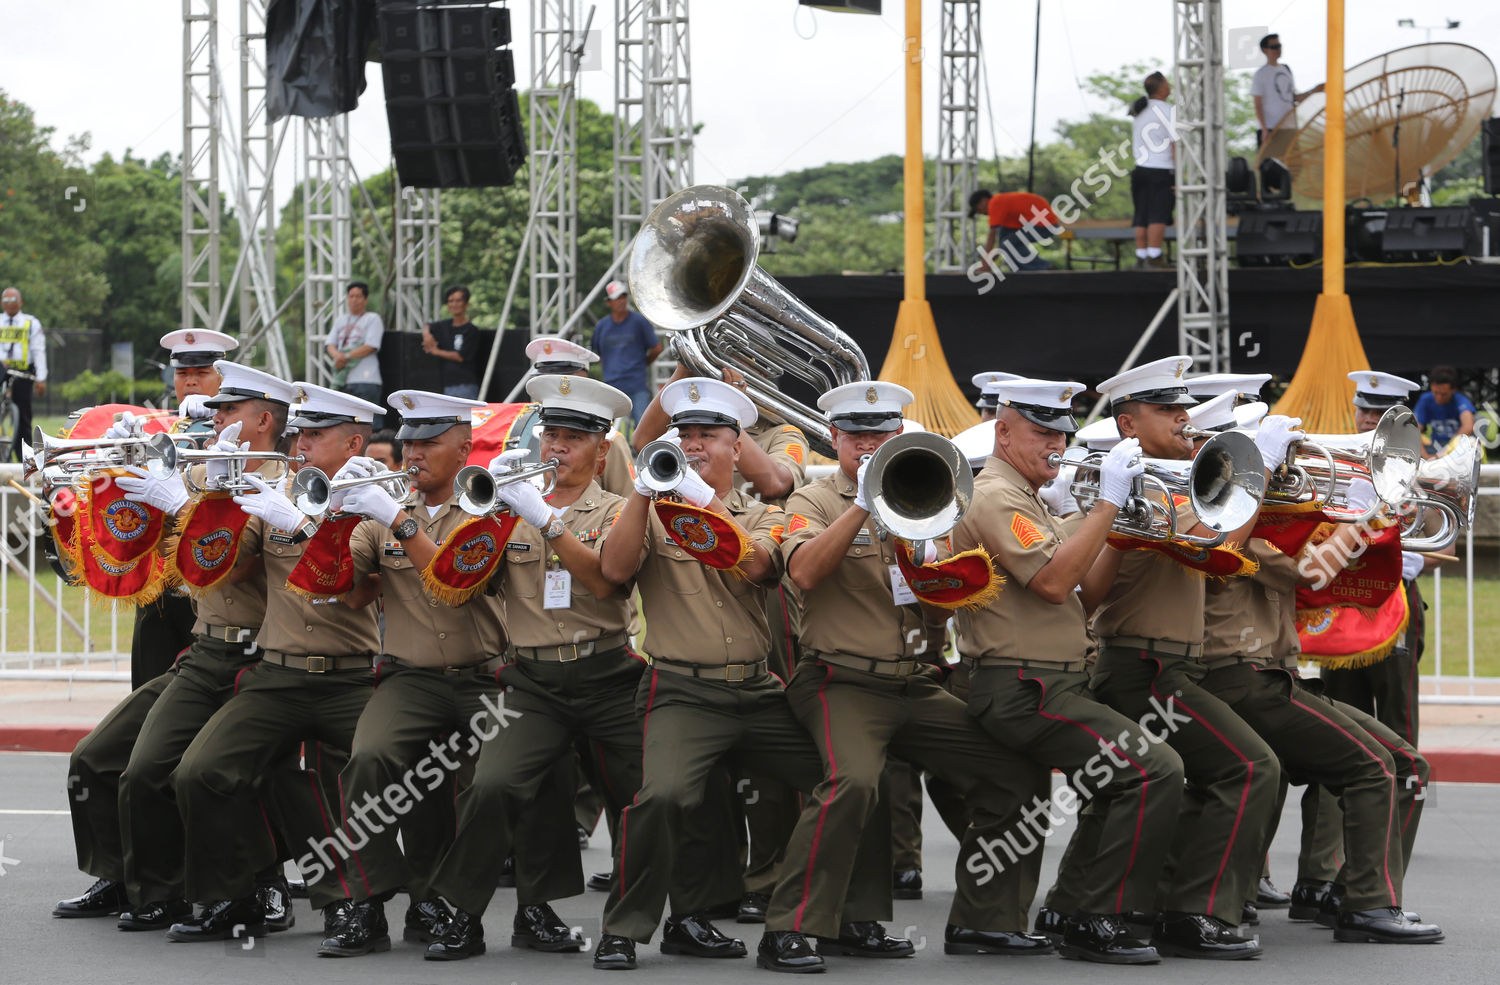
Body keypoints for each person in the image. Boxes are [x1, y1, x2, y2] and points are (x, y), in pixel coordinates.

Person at [590, 377, 892, 972]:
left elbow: (756, 568)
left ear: (737, 447)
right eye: (686, 436)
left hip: (755, 691)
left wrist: (702, 502)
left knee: (848, 777)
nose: (694, 445)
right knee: (663, 797)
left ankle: (838, 918)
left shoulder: (765, 515)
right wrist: (643, 496)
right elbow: (614, 571)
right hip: (680, 689)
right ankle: (624, 928)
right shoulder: (651, 510)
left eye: (709, 436)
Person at [761, 381, 1055, 968]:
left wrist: (930, 564)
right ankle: (788, 928)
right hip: (838, 680)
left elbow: (942, 609)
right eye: (855, 434)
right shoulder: (810, 501)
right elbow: (807, 573)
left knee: (1015, 772)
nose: (868, 444)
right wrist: (863, 505)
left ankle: (985, 921)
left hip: (911, 681)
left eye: (881, 433)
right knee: (853, 783)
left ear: (899, 436)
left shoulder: (924, 495)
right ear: (835, 439)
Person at [949, 378, 1185, 965]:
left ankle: (1037, 913)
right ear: (1002, 432)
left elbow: (1087, 597)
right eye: (1041, 431)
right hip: (1024, 684)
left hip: (1050, 680)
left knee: (1105, 781)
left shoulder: (1031, 496)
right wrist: (1104, 503)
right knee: (1152, 768)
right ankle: (1090, 916)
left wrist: (1121, 525)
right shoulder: (996, 494)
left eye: (1061, 432)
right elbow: (1055, 583)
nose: (1056, 444)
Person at [1083, 354, 1294, 959]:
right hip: (1141, 666)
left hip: (1170, 666)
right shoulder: (1129, 488)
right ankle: (1195, 913)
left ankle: (1094, 905)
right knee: (1248, 767)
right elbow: (1222, 555)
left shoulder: (1180, 482)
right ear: (1128, 425)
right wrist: (1262, 471)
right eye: (1167, 409)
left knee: (1179, 779)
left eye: (1184, 407)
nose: (1183, 418)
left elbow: (1221, 558)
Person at [167, 383, 388, 945]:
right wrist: (208, 500)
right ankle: (236, 895)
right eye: (301, 432)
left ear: (353, 442)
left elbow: (358, 590)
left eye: (316, 434)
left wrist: (302, 526)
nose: (302, 442)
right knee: (201, 771)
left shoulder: (376, 499)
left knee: (350, 772)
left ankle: (359, 905)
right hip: (279, 673)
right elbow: (228, 569)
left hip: (351, 677)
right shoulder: (280, 492)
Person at [327, 388, 532, 957]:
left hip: (484, 677)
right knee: (369, 758)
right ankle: (366, 903)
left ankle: (447, 902)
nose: (413, 453)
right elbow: (345, 594)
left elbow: (458, 586)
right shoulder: (384, 508)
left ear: (465, 445)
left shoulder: (489, 507)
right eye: (409, 442)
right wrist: (333, 522)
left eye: (429, 442)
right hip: (410, 677)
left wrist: (394, 519)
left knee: (497, 783)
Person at [524, 336, 636, 497]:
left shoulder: (609, 438)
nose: (555, 383)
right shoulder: (529, 428)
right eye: (551, 434)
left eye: (574, 437)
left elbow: (627, 502)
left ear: (582, 373)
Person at [592, 280, 662, 424]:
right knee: (605, 428)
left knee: (643, 429)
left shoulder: (639, 322)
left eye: (623, 296)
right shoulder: (602, 326)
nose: (621, 301)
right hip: (611, 386)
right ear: (609, 302)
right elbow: (597, 355)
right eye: (617, 298)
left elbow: (657, 348)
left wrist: (642, 364)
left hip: (636, 385)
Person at [1128, 73, 1176, 270]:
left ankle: (1141, 256)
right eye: (1167, 83)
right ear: (1162, 88)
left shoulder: (1141, 109)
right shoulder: (1168, 111)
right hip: (1161, 169)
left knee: (1141, 214)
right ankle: (1155, 256)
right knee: (1158, 213)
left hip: (1140, 169)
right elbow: (1174, 145)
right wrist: (1178, 173)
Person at [1251, 34, 1324, 164]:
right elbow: (1257, 104)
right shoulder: (1260, 74)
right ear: (1265, 50)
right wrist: (1264, 129)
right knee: (1270, 169)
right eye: (1273, 47)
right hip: (1271, 129)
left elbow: (1293, 98)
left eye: (1279, 46)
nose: (1278, 49)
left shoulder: (1286, 69)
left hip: (1289, 127)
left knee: (1294, 165)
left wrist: (1314, 91)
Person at [326, 281, 385, 419]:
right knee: (344, 422)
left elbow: (370, 346)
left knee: (367, 422)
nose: (354, 300)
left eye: (358, 296)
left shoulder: (373, 319)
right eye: (351, 296)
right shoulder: (341, 320)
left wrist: (344, 357)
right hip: (344, 380)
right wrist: (337, 356)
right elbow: (330, 344)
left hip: (366, 380)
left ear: (365, 299)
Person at [0, 286, 47, 460]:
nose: (10, 304)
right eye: (6, 300)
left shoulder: (30, 323)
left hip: (23, 373)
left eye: (13, 300)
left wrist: (41, 378)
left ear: (20, 302)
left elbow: (38, 350)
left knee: (23, 417)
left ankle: (24, 459)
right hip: (1, 369)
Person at [967, 190, 1057, 273]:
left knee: (1007, 243)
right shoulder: (1005, 214)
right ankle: (1022, 270)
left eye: (978, 209)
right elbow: (999, 247)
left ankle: (1043, 266)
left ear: (984, 200)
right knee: (1006, 242)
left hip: (1046, 224)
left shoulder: (995, 202)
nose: (981, 213)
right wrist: (987, 263)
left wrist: (985, 266)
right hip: (1037, 223)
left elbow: (992, 236)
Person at [423, 285, 483, 399]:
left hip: (465, 385)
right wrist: (427, 335)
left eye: (458, 300)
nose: (454, 304)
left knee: (465, 417)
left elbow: (460, 356)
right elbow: (427, 325)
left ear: (466, 304)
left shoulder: (471, 330)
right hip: (446, 385)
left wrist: (436, 351)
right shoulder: (444, 325)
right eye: (450, 301)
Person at [1414, 365, 1476, 458]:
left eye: (1444, 394)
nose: (1439, 397)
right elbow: (1415, 430)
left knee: (1470, 444)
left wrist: (1445, 453)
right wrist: (1426, 457)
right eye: (1435, 392)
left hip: (1455, 448)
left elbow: (1468, 427)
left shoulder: (1460, 400)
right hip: (1434, 447)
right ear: (1431, 387)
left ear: (1453, 390)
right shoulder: (1425, 399)